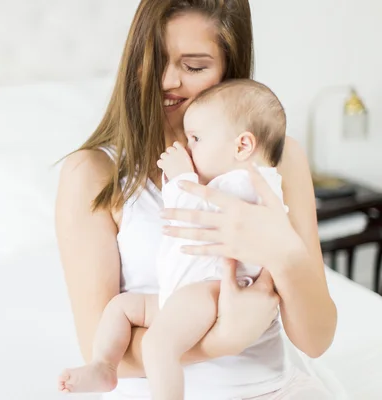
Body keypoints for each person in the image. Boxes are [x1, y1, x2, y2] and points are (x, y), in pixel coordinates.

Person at [55, 1, 337, 399]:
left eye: (194, 67)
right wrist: (226, 338)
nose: (168, 80)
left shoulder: (277, 158)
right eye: (155, 59)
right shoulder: (92, 175)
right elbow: (99, 348)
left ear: (227, 68)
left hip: (267, 386)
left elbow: (316, 340)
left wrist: (286, 253)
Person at [58, 79, 291, 399]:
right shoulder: (229, 178)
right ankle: (105, 366)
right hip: (183, 292)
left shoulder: (250, 182)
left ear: (242, 146)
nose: (188, 145)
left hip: (213, 290)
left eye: (196, 138)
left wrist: (182, 178)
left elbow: (196, 215)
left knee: (157, 345)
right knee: (121, 308)